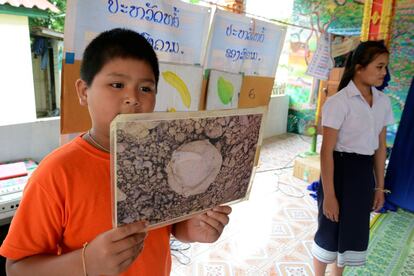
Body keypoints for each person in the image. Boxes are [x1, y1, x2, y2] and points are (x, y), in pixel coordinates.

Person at [0, 28, 232, 276]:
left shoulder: (165, 158)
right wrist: (85, 263)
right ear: (83, 91)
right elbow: (17, 268)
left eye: (145, 88)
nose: (132, 98)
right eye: (117, 84)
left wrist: (195, 228)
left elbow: (171, 227)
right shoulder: (56, 173)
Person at [312, 40, 394, 276]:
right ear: (360, 68)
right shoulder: (339, 103)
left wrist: (379, 187)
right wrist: (329, 195)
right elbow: (326, 151)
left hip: (362, 174)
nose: (384, 73)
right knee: (329, 230)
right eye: (379, 67)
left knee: (352, 232)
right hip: (339, 171)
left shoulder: (383, 103)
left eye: (385, 67)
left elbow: (380, 148)